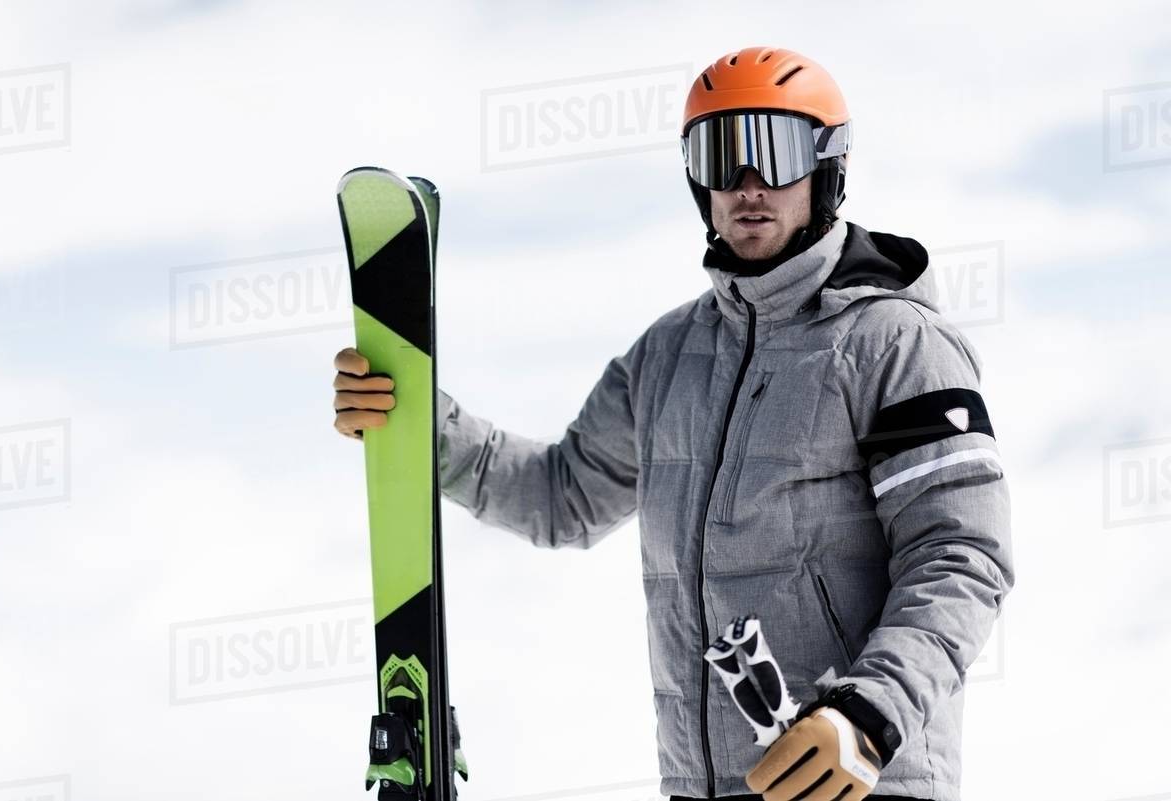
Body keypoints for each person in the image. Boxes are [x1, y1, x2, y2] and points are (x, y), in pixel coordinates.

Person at [332, 46, 1013, 801]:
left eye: (776, 152)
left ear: (826, 168)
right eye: (722, 155)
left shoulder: (895, 343)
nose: (748, 184)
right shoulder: (667, 359)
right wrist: (421, 427)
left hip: (858, 779)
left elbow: (960, 553)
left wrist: (868, 713)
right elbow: (561, 497)